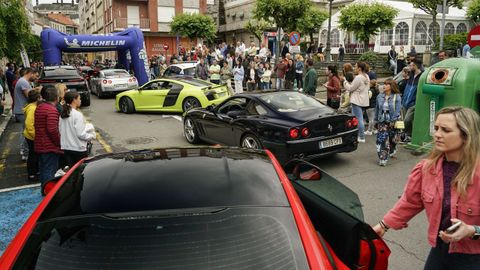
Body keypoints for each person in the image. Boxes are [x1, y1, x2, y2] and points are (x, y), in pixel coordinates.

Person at [373, 106, 480, 269]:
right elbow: (410, 202)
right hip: (440, 249)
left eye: (445, 130)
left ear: (466, 136)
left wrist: (472, 230)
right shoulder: (427, 169)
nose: (437, 134)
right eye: (436, 128)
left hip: (474, 255)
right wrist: (383, 226)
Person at [59, 92, 96, 168]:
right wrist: (91, 136)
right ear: (74, 100)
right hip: (78, 149)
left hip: (66, 148)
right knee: (81, 172)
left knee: (72, 172)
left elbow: (60, 130)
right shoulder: (77, 115)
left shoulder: (62, 114)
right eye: (79, 98)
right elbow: (81, 134)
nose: (80, 100)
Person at [34, 86, 62, 184]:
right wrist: (59, 143)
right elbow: (52, 130)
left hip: (40, 144)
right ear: (56, 97)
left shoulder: (40, 107)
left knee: (44, 170)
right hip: (49, 147)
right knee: (50, 172)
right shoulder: (51, 110)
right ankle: (48, 193)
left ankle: (44, 189)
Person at [14, 68, 42, 161]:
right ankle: (25, 152)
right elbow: (30, 96)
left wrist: (35, 89)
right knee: (27, 133)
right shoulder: (24, 82)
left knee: (25, 131)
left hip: (22, 110)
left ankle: (24, 150)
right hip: (22, 110)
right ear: (30, 73)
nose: (35, 77)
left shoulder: (22, 81)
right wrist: (38, 91)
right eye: (35, 75)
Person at [374, 79, 401, 166]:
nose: (384, 86)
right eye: (384, 84)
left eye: (387, 84)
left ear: (391, 86)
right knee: (382, 139)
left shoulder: (397, 97)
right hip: (382, 119)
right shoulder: (379, 96)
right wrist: (376, 120)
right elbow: (377, 109)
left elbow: (397, 110)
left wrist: (393, 120)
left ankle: (392, 149)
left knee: (392, 138)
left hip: (392, 119)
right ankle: (383, 158)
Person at [344, 62, 370, 143]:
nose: (354, 68)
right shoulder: (366, 76)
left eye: (355, 67)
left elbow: (351, 88)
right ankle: (356, 134)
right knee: (356, 118)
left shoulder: (359, 77)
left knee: (358, 119)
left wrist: (345, 82)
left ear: (359, 68)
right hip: (362, 100)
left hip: (356, 100)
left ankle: (361, 136)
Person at [401, 59, 423, 143]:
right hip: (405, 102)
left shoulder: (422, 76)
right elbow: (407, 88)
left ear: (415, 66)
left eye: (411, 65)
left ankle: (402, 132)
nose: (409, 67)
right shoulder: (411, 75)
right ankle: (408, 136)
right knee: (406, 120)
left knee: (407, 120)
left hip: (413, 103)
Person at [23, 90, 41, 181]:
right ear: (37, 98)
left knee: (34, 154)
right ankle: (32, 174)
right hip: (32, 136)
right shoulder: (32, 108)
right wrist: (35, 136)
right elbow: (29, 124)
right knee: (33, 155)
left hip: (30, 135)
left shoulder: (30, 106)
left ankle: (35, 171)